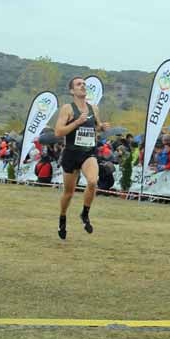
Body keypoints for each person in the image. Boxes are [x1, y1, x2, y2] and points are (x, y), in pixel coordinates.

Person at [54, 76, 111, 240]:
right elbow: (58, 132)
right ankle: (62, 218)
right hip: (71, 154)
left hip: (88, 152)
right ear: (72, 91)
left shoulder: (93, 108)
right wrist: (77, 122)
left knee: (93, 181)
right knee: (69, 193)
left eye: (84, 84)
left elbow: (95, 128)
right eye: (79, 84)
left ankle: (85, 214)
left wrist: (101, 127)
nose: (83, 86)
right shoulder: (68, 108)